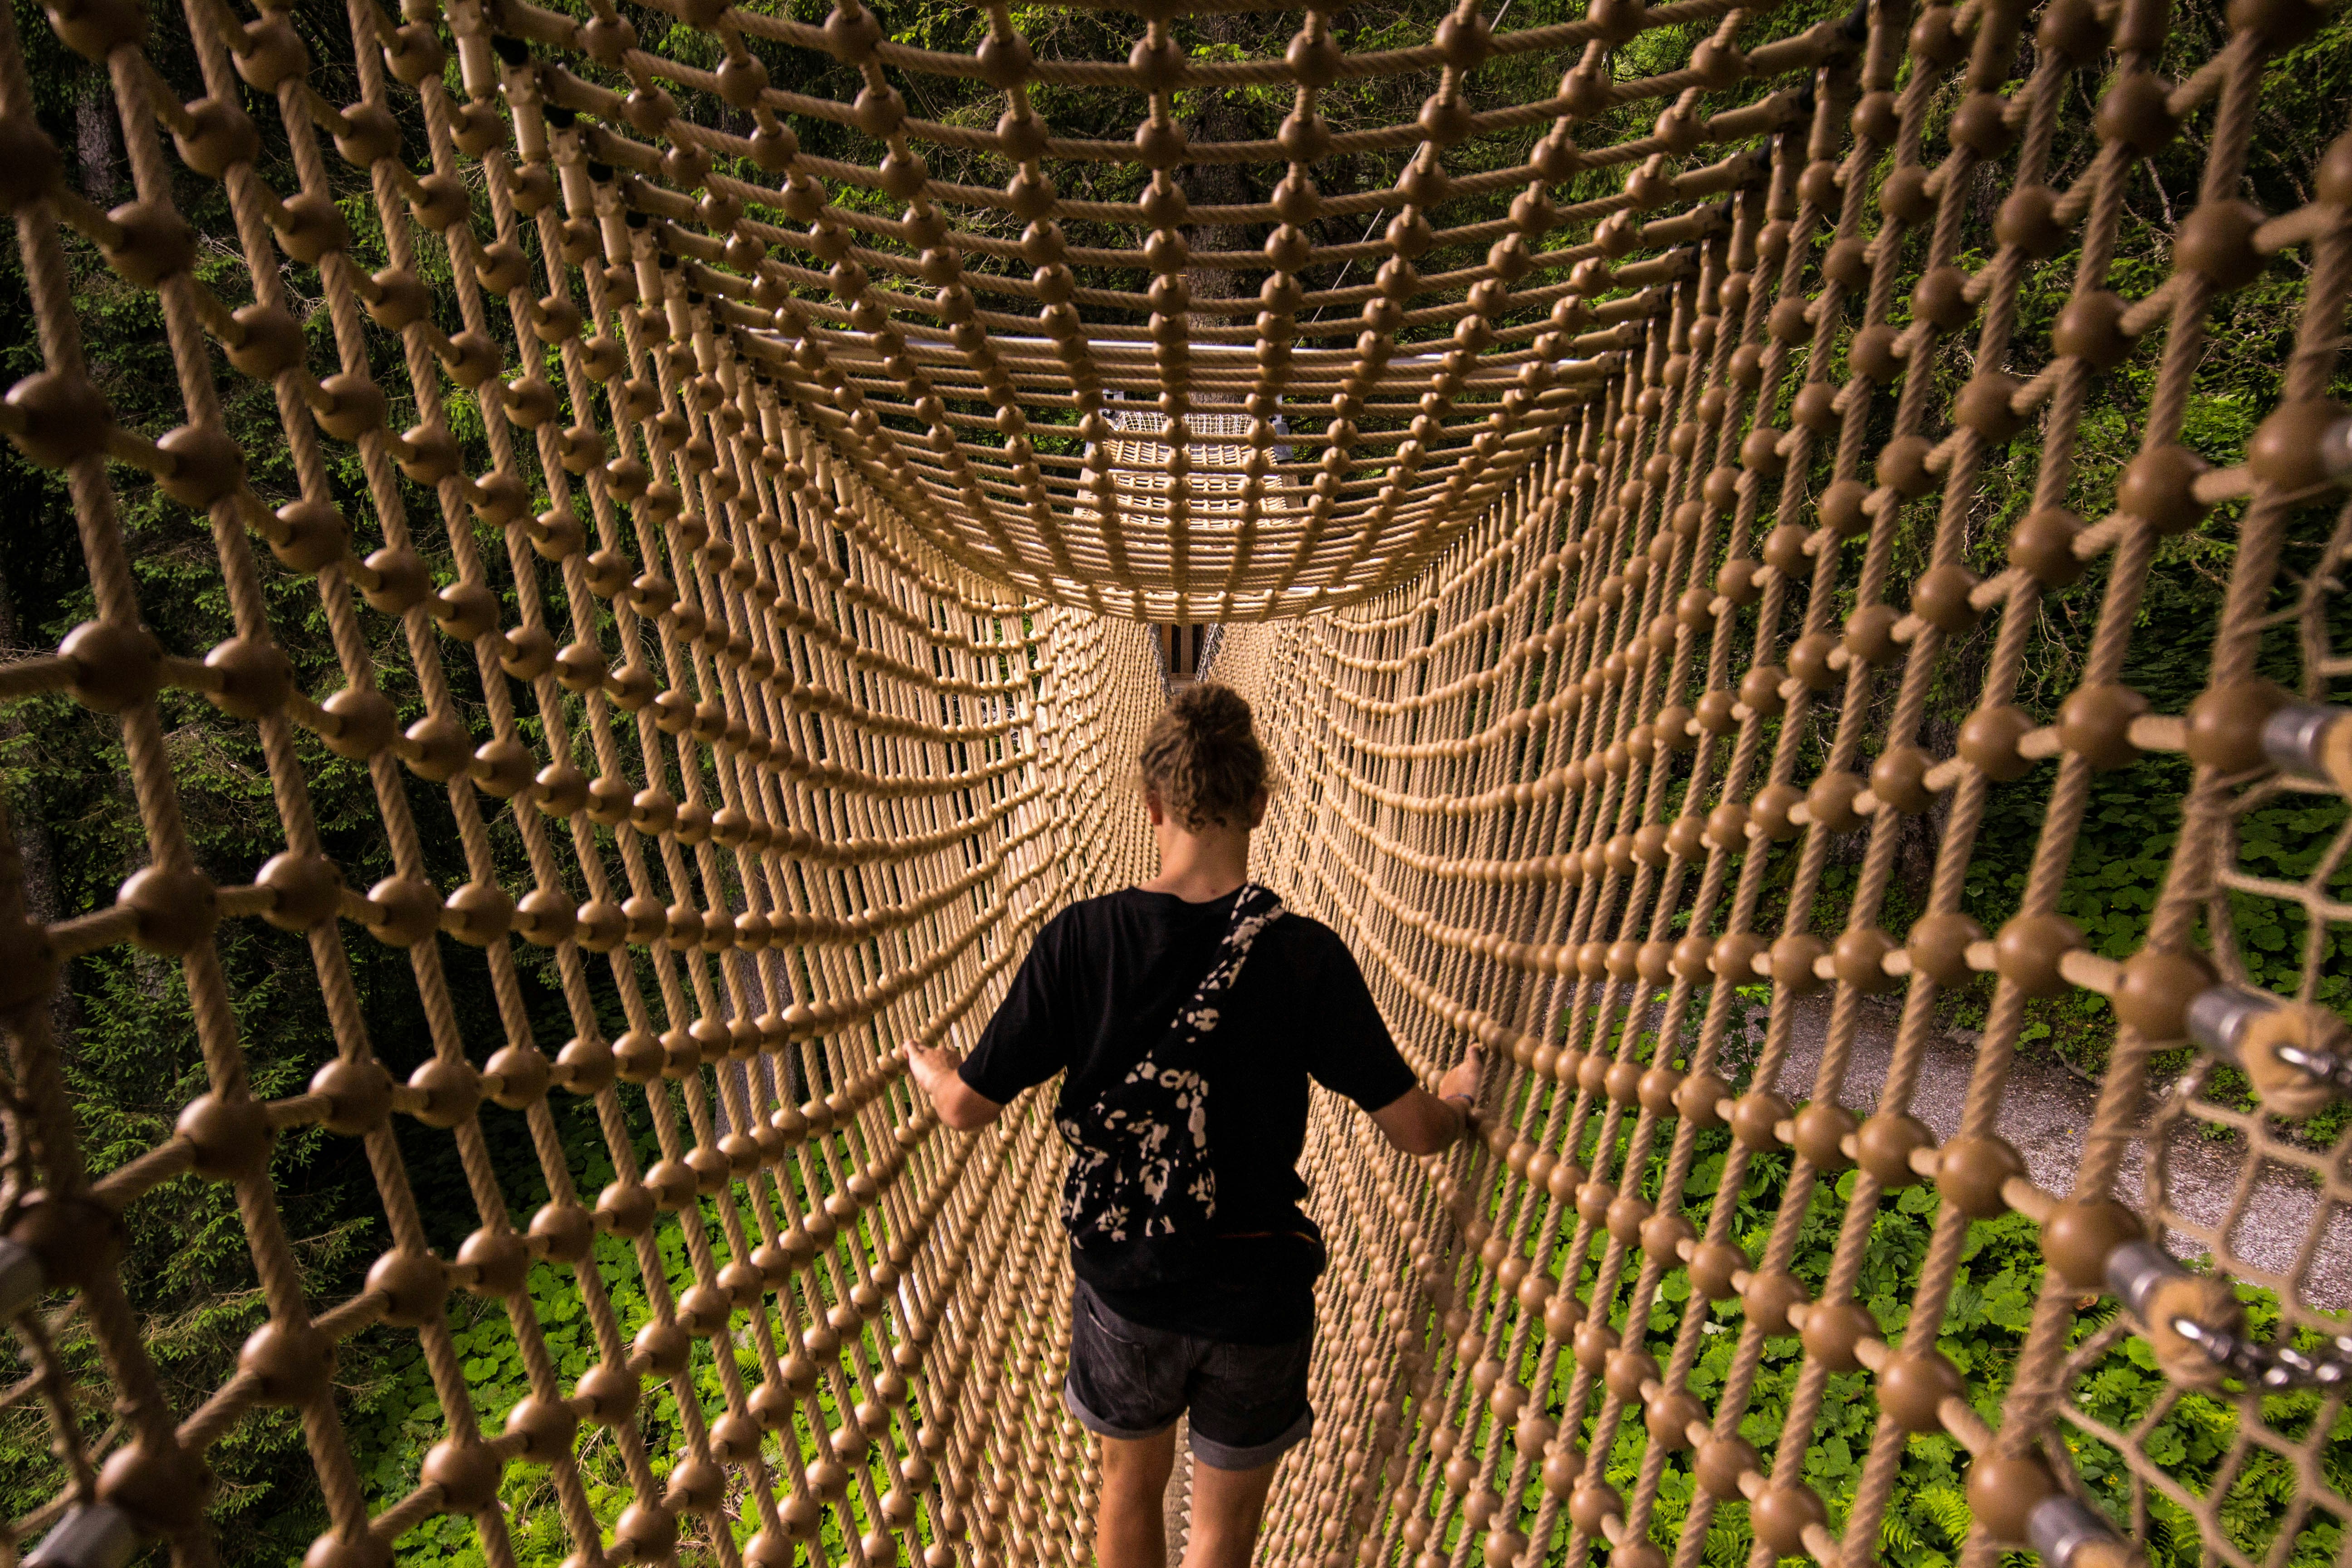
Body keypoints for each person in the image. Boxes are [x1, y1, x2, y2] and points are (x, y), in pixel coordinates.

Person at [906, 682, 1485, 1568]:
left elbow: (964, 1109)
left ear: (1152, 804)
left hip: (1130, 1284)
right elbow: (1416, 1131)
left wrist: (935, 1068)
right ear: (1259, 804)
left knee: (1130, 1489)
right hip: (1258, 1292)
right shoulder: (1304, 955)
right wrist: (1457, 1097)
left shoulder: (1080, 942)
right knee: (1221, 1538)